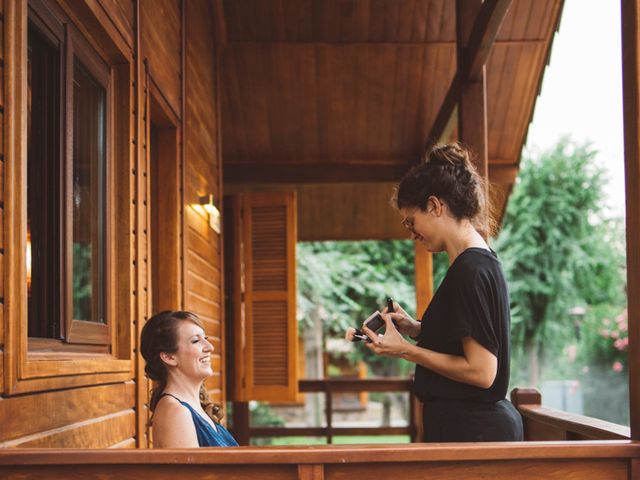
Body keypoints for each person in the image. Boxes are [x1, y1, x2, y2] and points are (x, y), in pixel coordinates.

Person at [362, 142, 523, 442]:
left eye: (412, 221)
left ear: (435, 206)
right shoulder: (478, 260)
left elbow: (482, 371)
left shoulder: (470, 269)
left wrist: (405, 351)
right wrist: (417, 329)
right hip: (472, 432)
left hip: (474, 436)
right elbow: (469, 340)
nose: (411, 233)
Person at [140, 310, 239, 447]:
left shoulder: (196, 408)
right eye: (196, 341)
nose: (210, 347)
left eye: (206, 339)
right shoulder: (175, 413)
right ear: (169, 357)